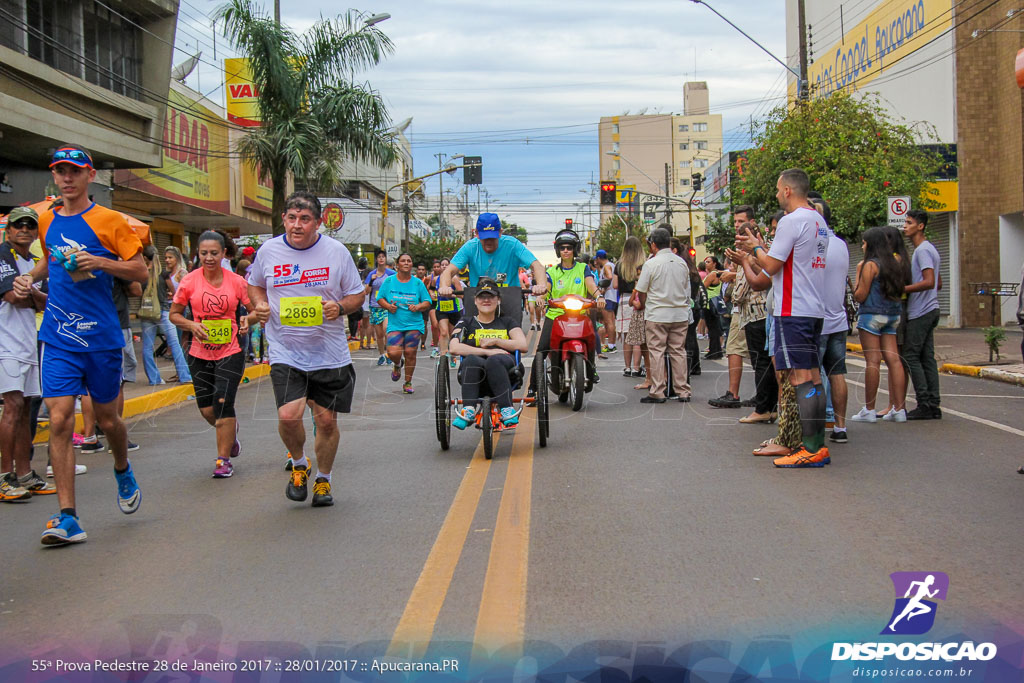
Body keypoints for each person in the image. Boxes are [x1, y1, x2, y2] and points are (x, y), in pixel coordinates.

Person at [13, 145, 147, 543]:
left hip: (100, 336)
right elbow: (50, 260)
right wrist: (30, 278)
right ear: (54, 176)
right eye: (60, 172)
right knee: (58, 419)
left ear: (90, 176)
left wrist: (99, 261)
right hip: (57, 334)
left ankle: (122, 469)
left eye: (74, 172)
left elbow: (139, 269)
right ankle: (68, 517)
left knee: (109, 421)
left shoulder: (110, 221)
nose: (66, 179)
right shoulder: (46, 217)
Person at [248, 191, 365, 508]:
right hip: (286, 349)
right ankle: (300, 465)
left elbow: (357, 296)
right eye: (291, 218)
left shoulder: (336, 252)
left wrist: (339, 308)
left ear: (318, 222)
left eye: (304, 219)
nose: (296, 225)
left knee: (326, 423)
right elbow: (254, 284)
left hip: (329, 353)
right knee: (288, 416)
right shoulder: (269, 251)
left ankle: (324, 480)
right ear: (284, 218)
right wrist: (259, 304)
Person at [735, 168, 830, 468]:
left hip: (793, 310)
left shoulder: (792, 221)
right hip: (813, 308)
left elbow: (772, 266)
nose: (777, 194)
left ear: (788, 190)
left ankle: (812, 448)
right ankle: (813, 445)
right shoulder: (819, 221)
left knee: (801, 379)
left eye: (778, 190)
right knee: (813, 378)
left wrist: (756, 248)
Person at [170, 231, 255, 478]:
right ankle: (232, 433)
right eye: (204, 253)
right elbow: (173, 314)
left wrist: (247, 320)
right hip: (199, 351)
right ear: (198, 253)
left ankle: (223, 459)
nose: (209, 258)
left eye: (214, 253)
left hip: (231, 349)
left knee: (222, 402)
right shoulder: (190, 281)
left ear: (224, 254)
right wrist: (191, 326)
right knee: (208, 410)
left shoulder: (236, 282)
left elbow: (253, 310)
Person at [0, 206, 55, 500]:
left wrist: (31, 294)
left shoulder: (33, 262)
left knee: (25, 411)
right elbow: (12, 296)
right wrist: (33, 296)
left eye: (29, 226)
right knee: (12, 407)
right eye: (18, 225)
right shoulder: (2, 256)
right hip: (5, 345)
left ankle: (24, 474)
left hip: (28, 344)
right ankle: (4, 476)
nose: (24, 229)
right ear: (8, 230)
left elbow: (45, 301)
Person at [526, 227, 603, 398]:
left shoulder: (583, 268)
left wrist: (599, 296)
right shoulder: (552, 271)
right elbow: (546, 287)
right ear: (558, 251)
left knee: (591, 341)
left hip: (579, 315)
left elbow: (590, 284)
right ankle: (533, 388)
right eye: (563, 248)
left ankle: (592, 369)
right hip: (556, 316)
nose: (566, 251)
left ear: (575, 249)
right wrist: (542, 297)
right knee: (542, 349)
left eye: (569, 247)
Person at [449, 278, 529, 429]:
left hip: (505, 366)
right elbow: (453, 347)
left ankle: (506, 409)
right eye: (481, 297)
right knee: (472, 359)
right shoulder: (465, 322)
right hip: (475, 369)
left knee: (495, 361)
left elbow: (522, 345)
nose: (486, 300)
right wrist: (485, 351)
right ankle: (468, 409)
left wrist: (496, 341)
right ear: (475, 301)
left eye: (490, 296)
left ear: (498, 300)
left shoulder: (507, 322)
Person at [850, 226, 908, 423]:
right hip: (893, 315)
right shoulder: (896, 262)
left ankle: (869, 409)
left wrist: (857, 276)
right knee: (894, 360)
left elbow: (860, 295)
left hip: (872, 316)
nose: (862, 246)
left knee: (872, 361)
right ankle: (899, 409)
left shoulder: (869, 265)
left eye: (864, 242)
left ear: (871, 244)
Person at [633, 228, 691, 403]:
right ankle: (683, 391)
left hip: (657, 314)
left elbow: (641, 291)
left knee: (657, 352)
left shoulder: (651, 264)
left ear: (653, 244)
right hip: (680, 313)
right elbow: (687, 291)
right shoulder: (682, 263)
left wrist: (643, 304)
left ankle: (658, 390)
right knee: (678, 351)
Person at [726, 222, 776, 423]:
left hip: (756, 315)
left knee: (761, 363)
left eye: (742, 241)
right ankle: (768, 406)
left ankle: (763, 408)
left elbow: (740, 292)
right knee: (765, 362)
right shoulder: (762, 256)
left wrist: (743, 263)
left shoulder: (752, 258)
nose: (739, 246)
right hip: (761, 314)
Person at [439, 213, 547, 299]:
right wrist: (444, 287)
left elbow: (537, 266)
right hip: (480, 300)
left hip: (509, 299)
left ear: (500, 232)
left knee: (515, 328)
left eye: (492, 237)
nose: (488, 242)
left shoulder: (512, 245)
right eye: (485, 238)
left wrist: (541, 285)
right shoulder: (470, 247)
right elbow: (448, 271)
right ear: (476, 234)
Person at [902, 210, 943, 420]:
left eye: (909, 223)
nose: (905, 226)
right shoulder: (930, 249)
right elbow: (939, 282)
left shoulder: (922, 251)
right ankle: (933, 404)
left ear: (921, 226)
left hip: (921, 311)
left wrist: (903, 289)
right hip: (931, 308)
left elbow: (929, 281)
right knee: (927, 357)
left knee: (910, 355)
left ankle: (924, 402)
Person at [376, 253, 432, 394]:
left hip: (414, 324)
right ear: (397, 264)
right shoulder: (389, 281)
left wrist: (418, 307)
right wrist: (388, 306)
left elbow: (427, 301)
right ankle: (397, 363)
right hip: (395, 323)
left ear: (411, 264)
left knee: (410, 352)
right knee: (393, 352)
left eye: (409, 260)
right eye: (403, 261)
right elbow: (379, 298)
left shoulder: (417, 283)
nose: (406, 263)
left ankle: (407, 382)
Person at [140, 245, 192, 386]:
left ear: (145, 258)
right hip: (163, 312)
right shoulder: (163, 274)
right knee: (175, 344)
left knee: (147, 347)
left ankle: (154, 379)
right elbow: (176, 293)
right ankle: (184, 376)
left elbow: (137, 292)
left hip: (146, 314)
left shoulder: (141, 274)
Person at [819, 226, 851, 443]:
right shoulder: (841, 244)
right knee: (837, 373)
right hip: (838, 320)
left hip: (816, 320)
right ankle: (840, 427)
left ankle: (813, 428)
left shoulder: (816, 245)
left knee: (812, 374)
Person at [614, 236, 646, 377]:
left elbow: (615, 285)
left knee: (627, 336)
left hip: (624, 300)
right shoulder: (644, 264)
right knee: (638, 336)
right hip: (640, 298)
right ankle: (636, 367)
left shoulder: (620, 265)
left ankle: (627, 367)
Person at [430, 257, 464, 368]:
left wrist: (452, 294)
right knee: (443, 332)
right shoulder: (436, 279)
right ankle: (443, 356)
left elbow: (462, 295)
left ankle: (452, 355)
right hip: (441, 309)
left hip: (454, 310)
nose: (444, 267)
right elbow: (430, 288)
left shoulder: (454, 279)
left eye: (446, 265)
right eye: (442, 265)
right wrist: (432, 294)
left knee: (453, 334)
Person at [364, 249, 395, 366]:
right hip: (375, 306)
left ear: (386, 259)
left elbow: (397, 285)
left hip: (386, 306)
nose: (381, 259)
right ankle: (382, 354)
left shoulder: (391, 273)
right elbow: (366, 292)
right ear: (376, 259)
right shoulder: (372, 274)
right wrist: (371, 282)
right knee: (379, 335)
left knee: (387, 330)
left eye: (383, 257)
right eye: (379, 257)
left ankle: (389, 354)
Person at [702, 255, 725, 360]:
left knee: (712, 329)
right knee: (714, 328)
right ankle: (716, 351)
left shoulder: (713, 274)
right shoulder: (718, 273)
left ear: (714, 263)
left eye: (708, 262)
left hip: (710, 303)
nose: (706, 264)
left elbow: (703, 287)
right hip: (715, 303)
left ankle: (714, 351)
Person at [594, 249, 617, 353]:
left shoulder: (607, 266)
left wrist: (604, 288)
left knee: (608, 321)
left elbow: (610, 276)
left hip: (608, 296)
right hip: (613, 296)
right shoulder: (612, 265)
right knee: (611, 320)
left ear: (599, 258)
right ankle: (612, 344)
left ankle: (611, 345)